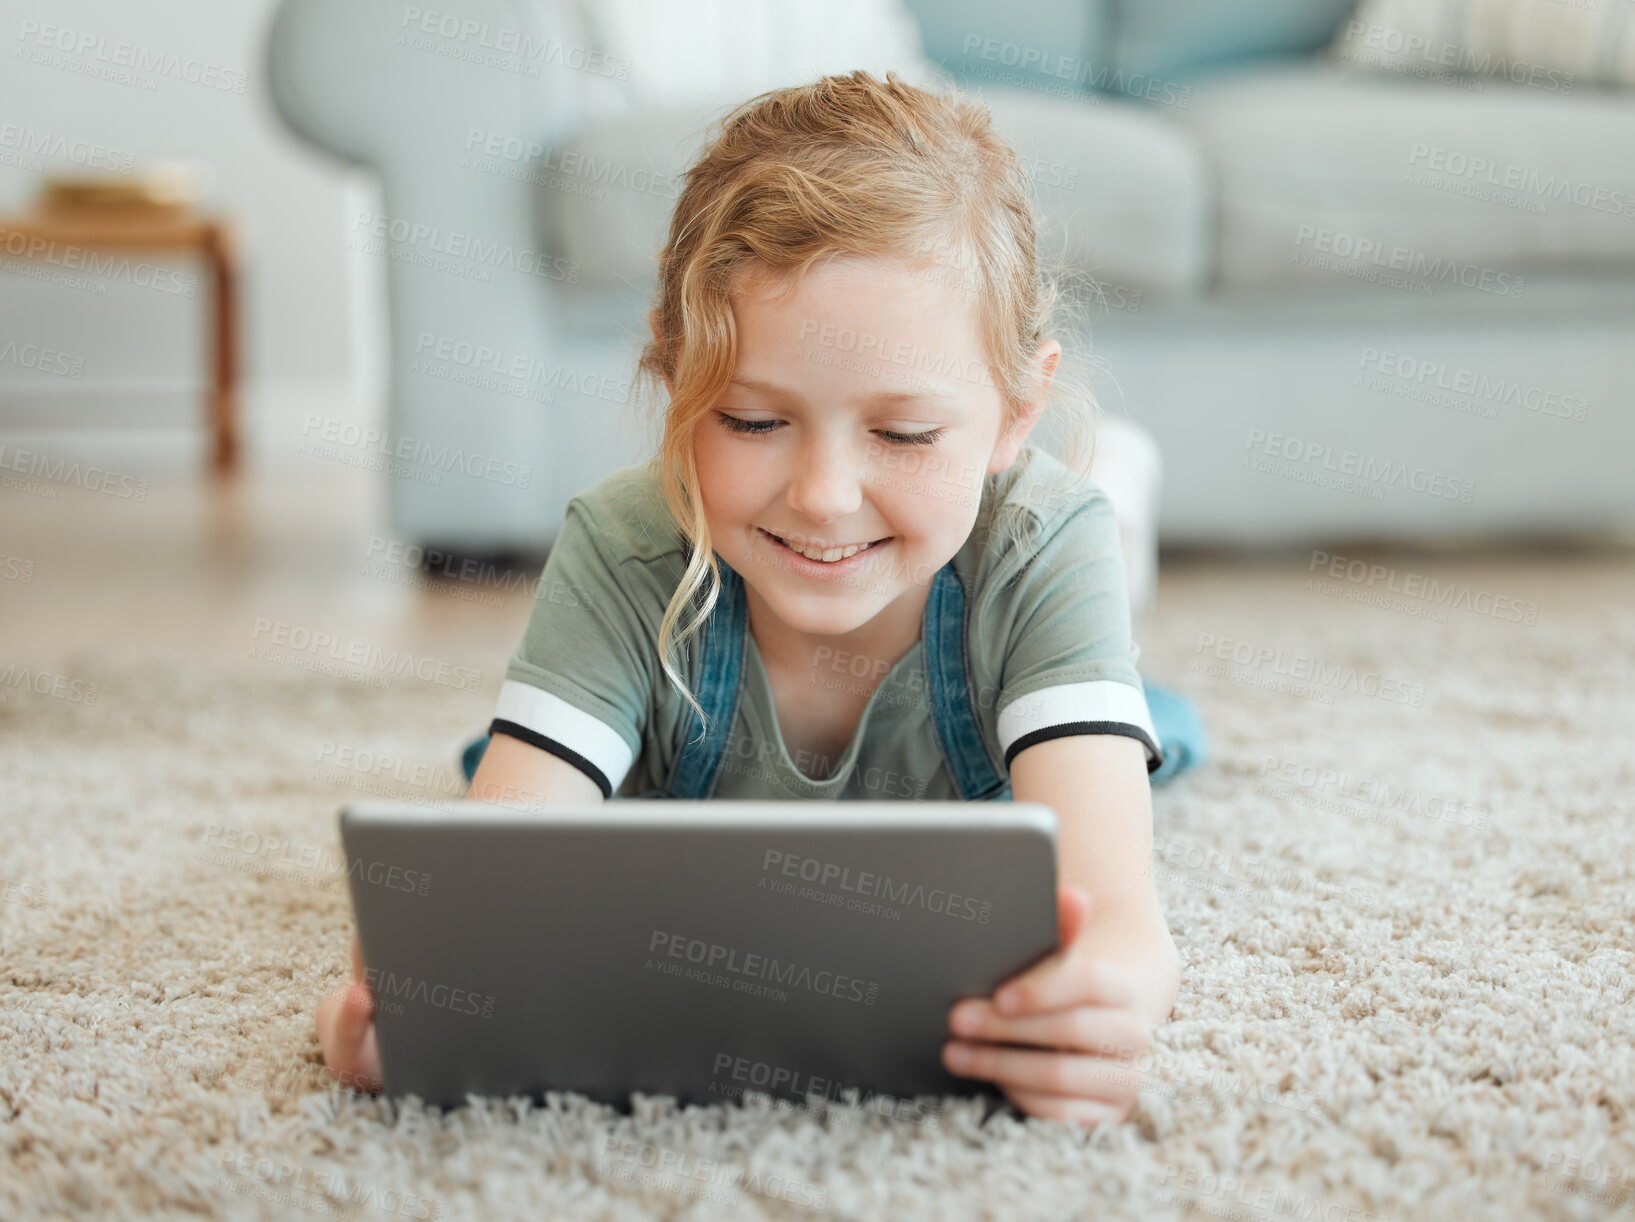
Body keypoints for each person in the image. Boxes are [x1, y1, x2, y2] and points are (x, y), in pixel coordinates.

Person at [319, 68, 1205, 1129]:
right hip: (657, 680)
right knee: (502, 767)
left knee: (1157, 732)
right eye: (748, 421)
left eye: (905, 434)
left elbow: (1121, 925)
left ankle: (1114, 540)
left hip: (1023, 602)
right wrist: (407, 998)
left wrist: (1103, 1013)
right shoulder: (621, 543)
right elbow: (471, 907)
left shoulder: (1045, 544)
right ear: (673, 371)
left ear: (1016, 414)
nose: (823, 498)